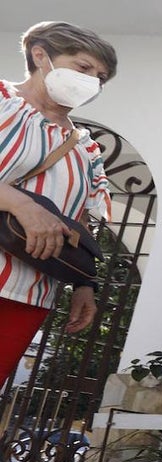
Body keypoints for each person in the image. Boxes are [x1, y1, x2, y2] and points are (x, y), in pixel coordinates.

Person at [0, 21, 116, 385]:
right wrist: (21, 204)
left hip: (29, 294)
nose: (92, 81)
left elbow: (80, 222)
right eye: (83, 67)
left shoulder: (86, 149)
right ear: (40, 55)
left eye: (100, 77)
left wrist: (84, 283)